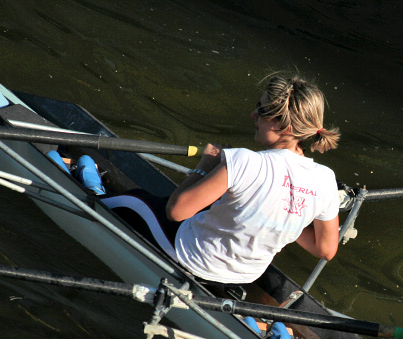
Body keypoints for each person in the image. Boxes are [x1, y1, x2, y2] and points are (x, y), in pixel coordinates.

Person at [102, 73, 341, 284]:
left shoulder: (246, 161)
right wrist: (284, 217)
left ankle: (86, 192)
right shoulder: (326, 180)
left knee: (134, 199)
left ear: (286, 128)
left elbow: (176, 212)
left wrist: (206, 164)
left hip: (192, 257)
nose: (253, 115)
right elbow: (326, 249)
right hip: (246, 276)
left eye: (262, 110)